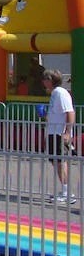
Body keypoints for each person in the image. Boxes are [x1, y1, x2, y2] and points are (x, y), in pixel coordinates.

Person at [42, 69, 76, 203]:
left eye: (45, 79)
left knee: (60, 162)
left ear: (50, 80)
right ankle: (64, 190)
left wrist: (67, 132)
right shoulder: (55, 93)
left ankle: (67, 193)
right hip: (53, 131)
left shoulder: (60, 93)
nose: (43, 82)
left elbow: (70, 112)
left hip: (59, 133)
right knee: (56, 161)